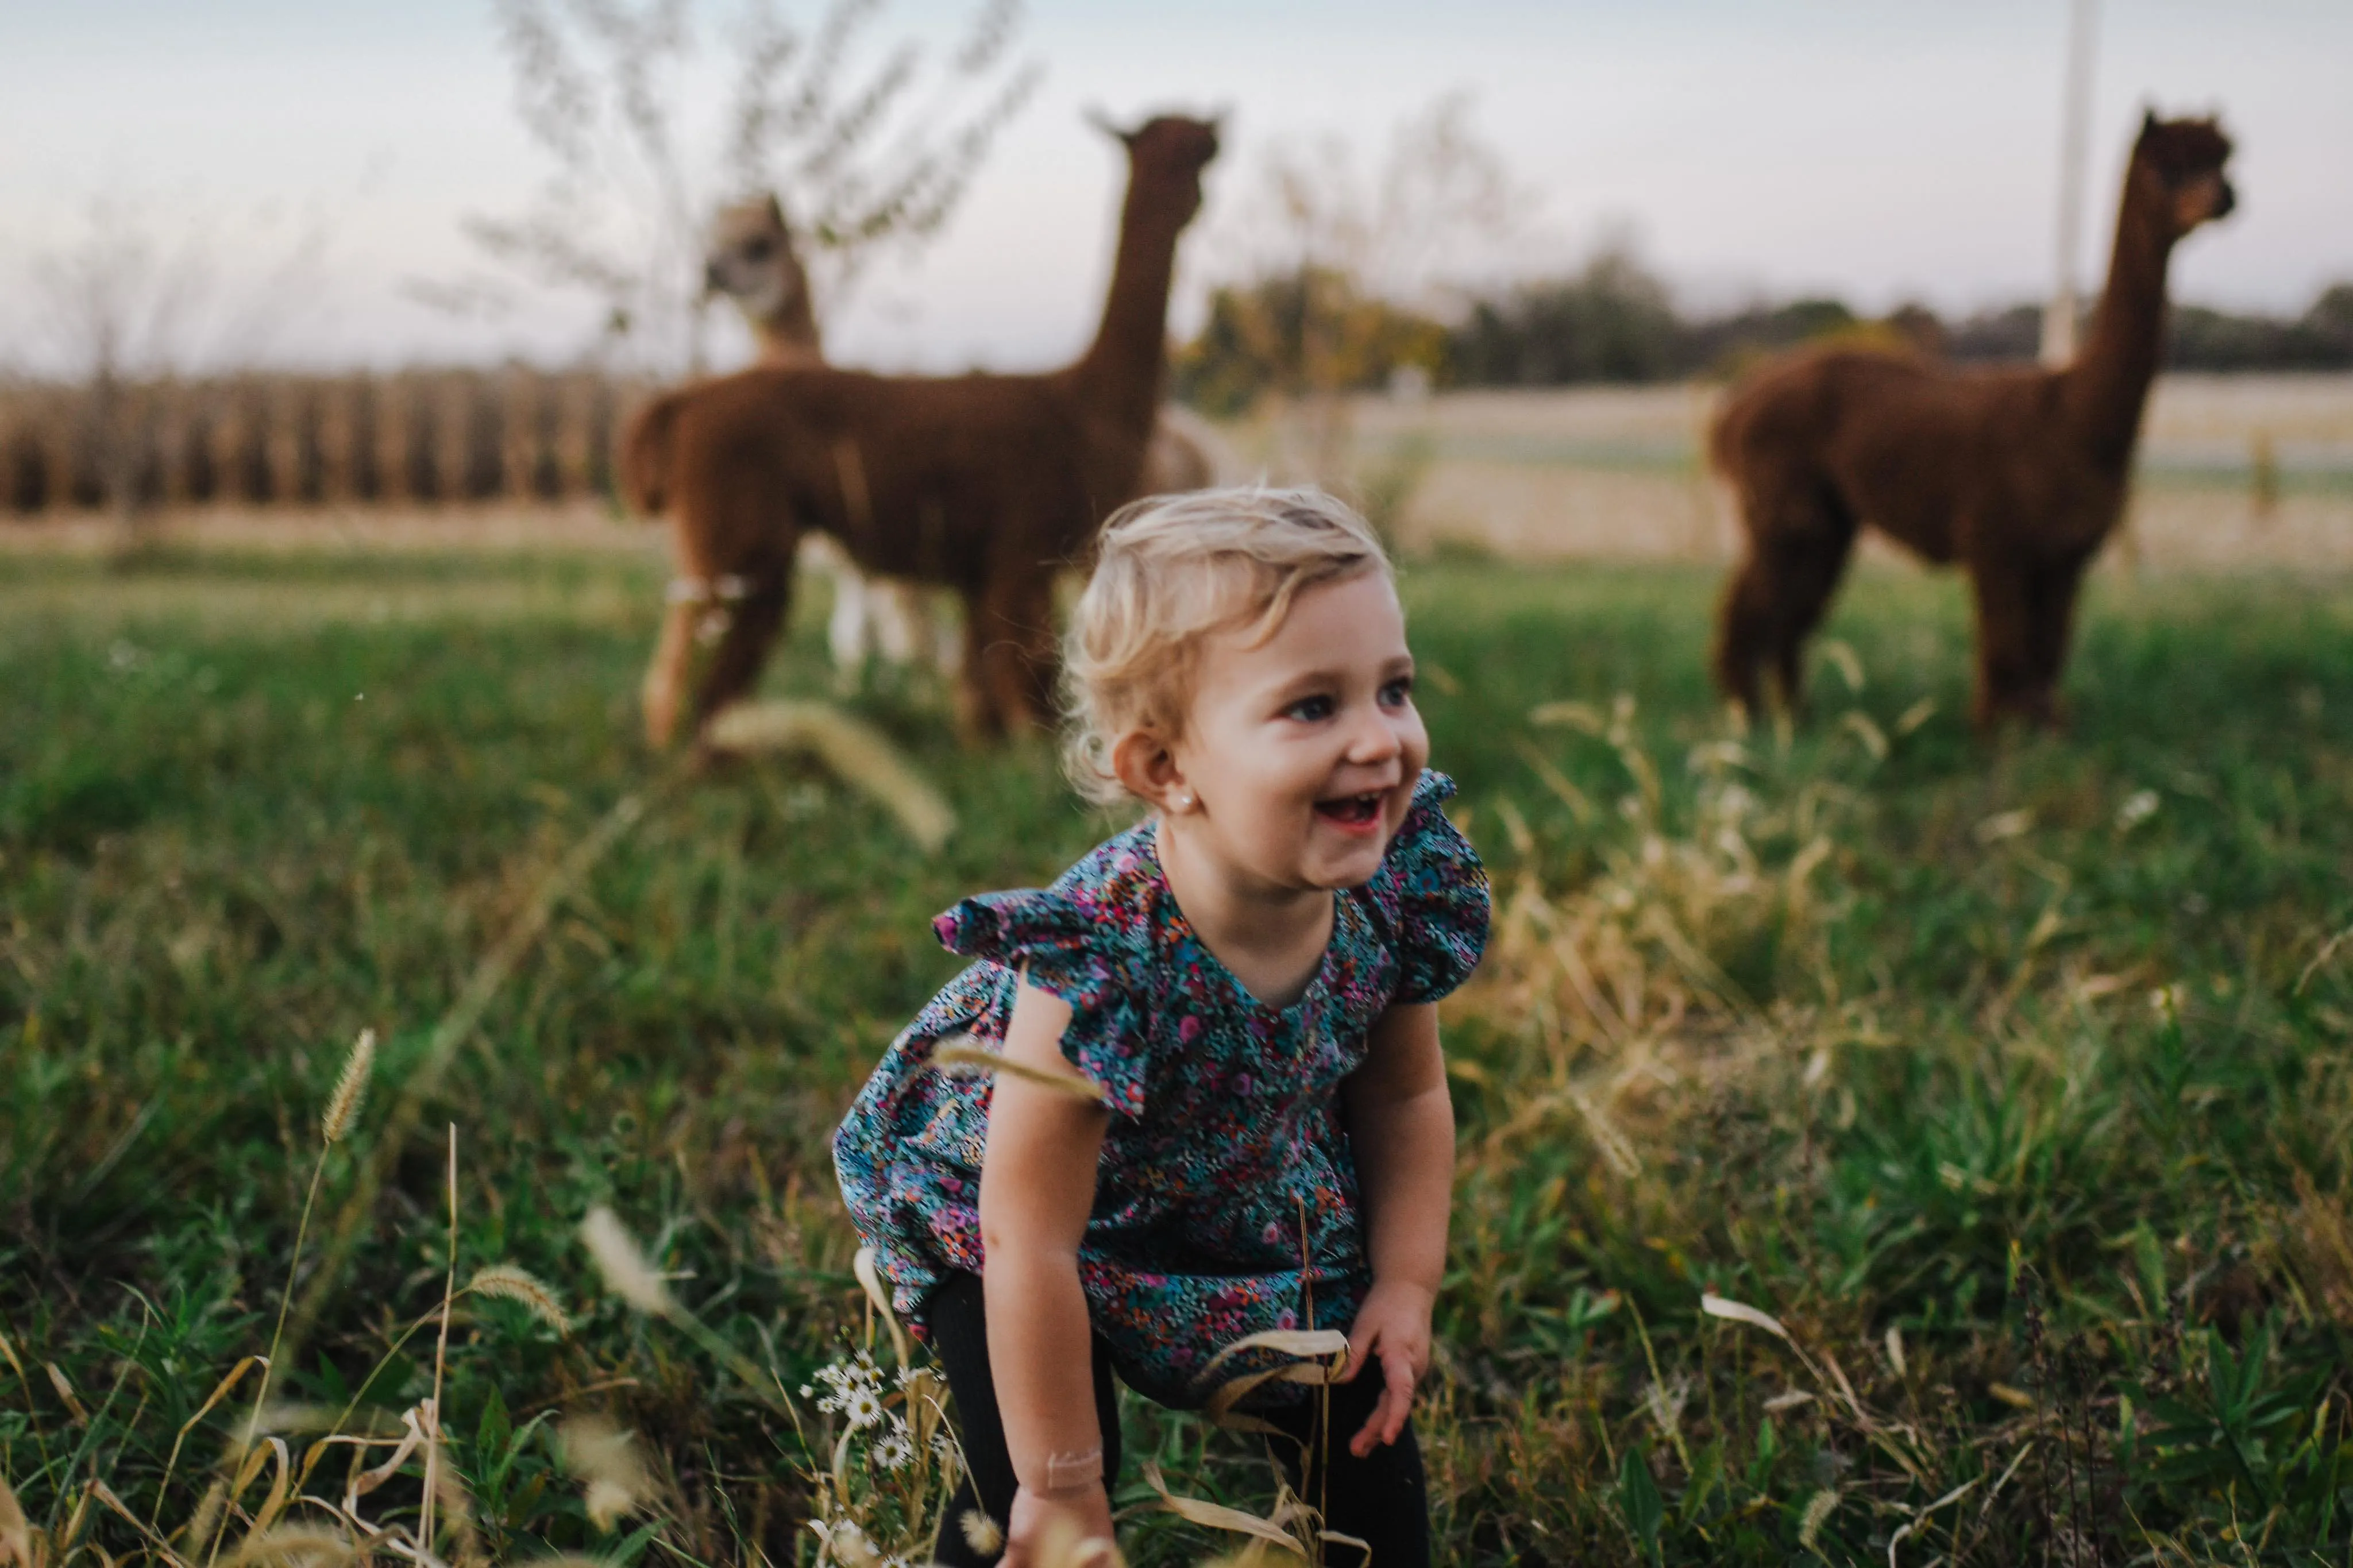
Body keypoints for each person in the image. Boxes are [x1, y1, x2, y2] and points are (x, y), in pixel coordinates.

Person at [832, 487, 1490, 1566]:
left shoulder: (1390, 885)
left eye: (1394, 688)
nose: (1380, 738)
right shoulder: (1102, 958)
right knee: (1017, 1514)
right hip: (1017, 1233)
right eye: (1314, 707)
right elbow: (1026, 1234)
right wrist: (1065, 1484)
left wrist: (1405, 1282)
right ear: (1165, 768)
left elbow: (1405, 1095)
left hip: (1237, 1199)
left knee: (1366, 1428)